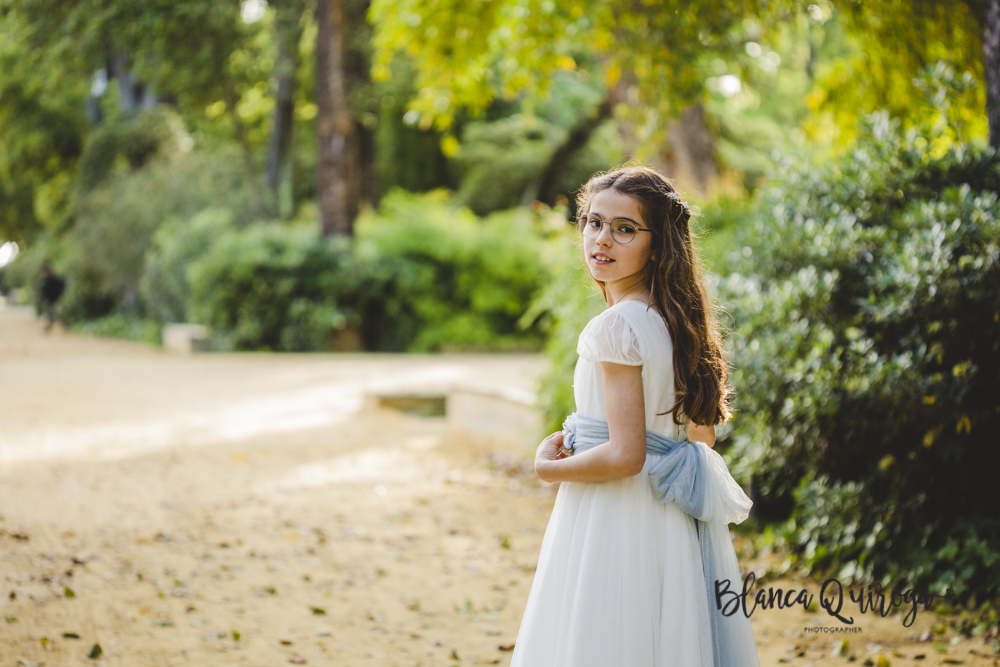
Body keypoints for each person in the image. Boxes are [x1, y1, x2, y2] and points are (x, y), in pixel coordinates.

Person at [509, 166, 760, 667]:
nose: (602, 239)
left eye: (625, 228)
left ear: (658, 241)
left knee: (609, 637)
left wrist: (549, 467)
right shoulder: (673, 321)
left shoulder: (616, 327)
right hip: (665, 520)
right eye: (593, 222)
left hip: (616, 515)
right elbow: (701, 437)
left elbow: (625, 456)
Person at [40, 263, 66, 332]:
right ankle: (50, 326)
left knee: (54, 313)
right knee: (51, 313)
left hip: (52, 299)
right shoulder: (49, 278)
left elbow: (49, 289)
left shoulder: (51, 278)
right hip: (50, 299)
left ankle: (63, 325)